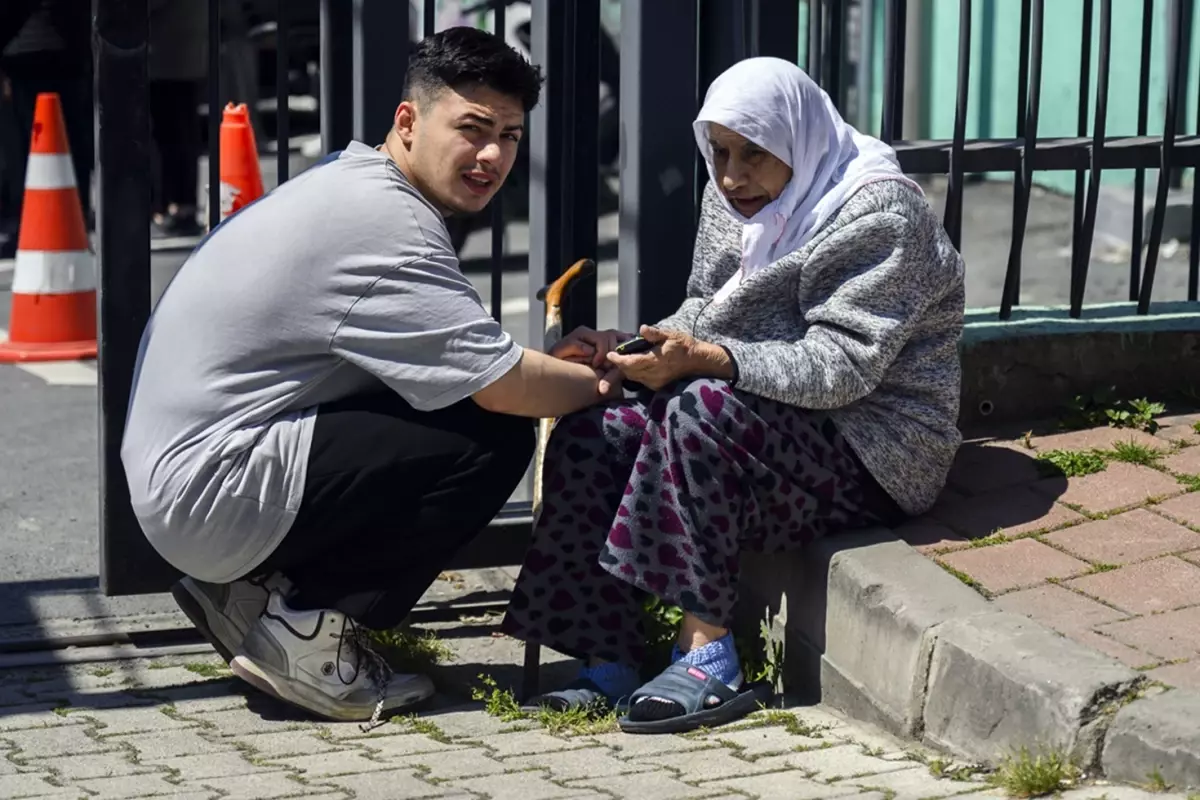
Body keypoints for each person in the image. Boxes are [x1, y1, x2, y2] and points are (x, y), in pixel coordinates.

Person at [121, 27, 618, 727]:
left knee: (454, 406)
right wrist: (620, 381)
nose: (492, 155)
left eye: (508, 135)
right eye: (471, 128)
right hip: (209, 493)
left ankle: (251, 597)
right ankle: (308, 638)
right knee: (491, 438)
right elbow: (501, 389)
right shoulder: (392, 228)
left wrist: (558, 366)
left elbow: (463, 358)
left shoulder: (357, 184)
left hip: (189, 473)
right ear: (408, 121)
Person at [502, 57, 966, 734]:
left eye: (755, 153)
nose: (731, 176)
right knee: (595, 426)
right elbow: (706, 308)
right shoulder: (733, 199)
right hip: (773, 419)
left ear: (799, 141)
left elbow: (842, 367)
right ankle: (607, 655)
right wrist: (635, 351)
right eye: (718, 151)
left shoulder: (879, 214)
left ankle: (707, 655)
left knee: (700, 412)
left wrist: (710, 363)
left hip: (874, 448)